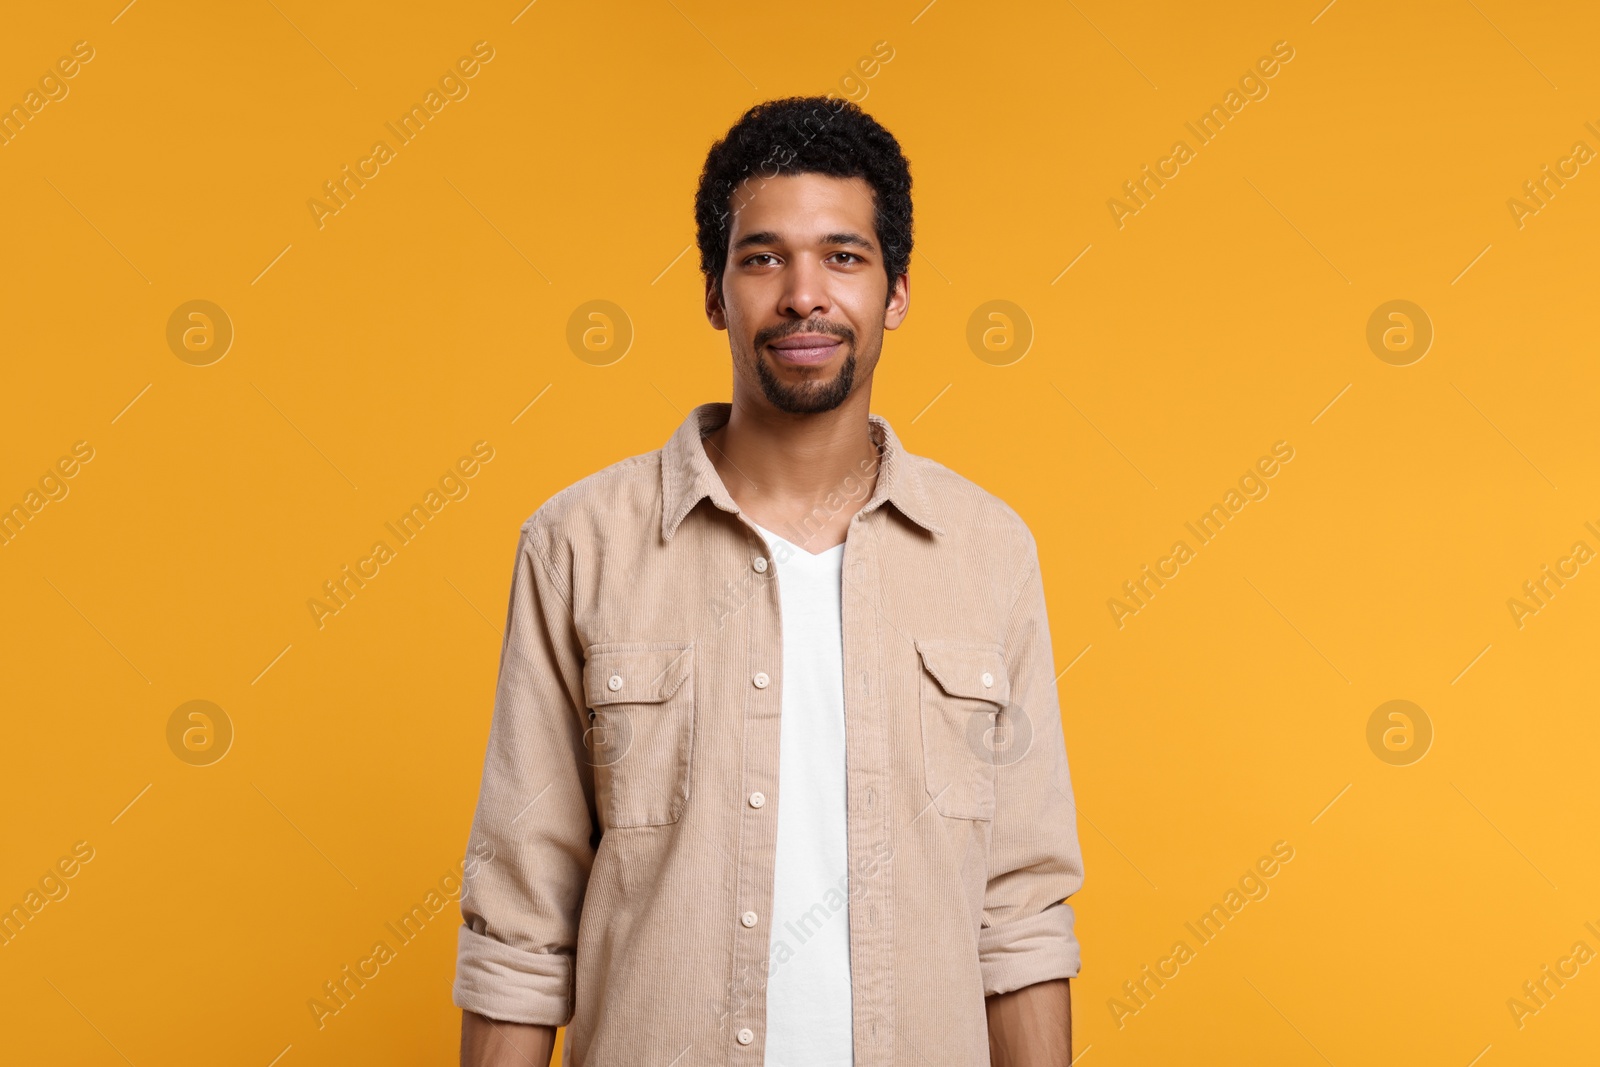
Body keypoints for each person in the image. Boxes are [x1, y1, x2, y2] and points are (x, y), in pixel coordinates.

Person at [454, 95, 1084, 1066]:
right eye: (762, 258)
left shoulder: (987, 551)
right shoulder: (580, 544)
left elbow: (1022, 913)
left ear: (897, 291)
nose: (803, 295)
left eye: (842, 256)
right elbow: (519, 923)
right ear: (713, 292)